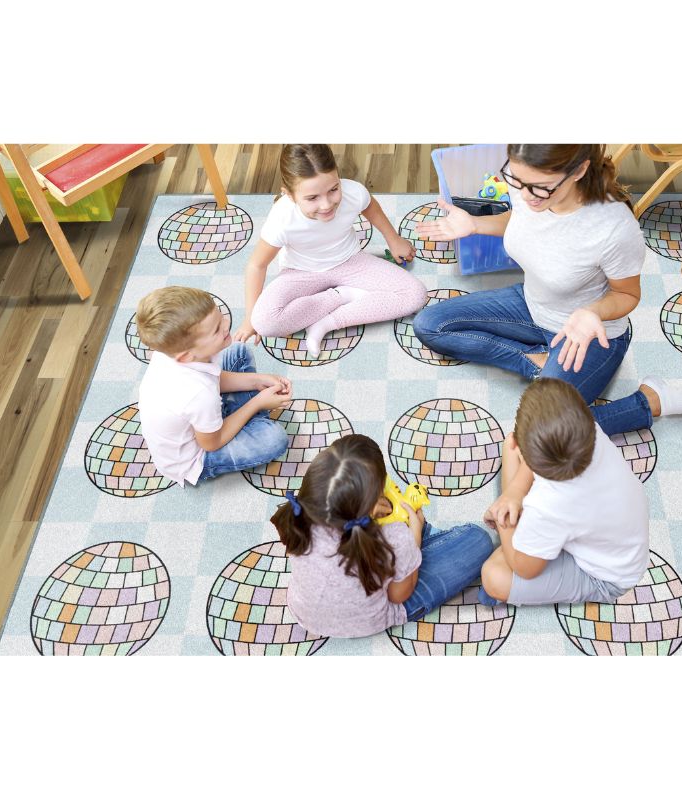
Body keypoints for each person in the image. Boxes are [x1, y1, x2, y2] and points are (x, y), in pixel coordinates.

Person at [412, 144, 682, 436]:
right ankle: (536, 361)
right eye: (518, 181)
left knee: (541, 429)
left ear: (579, 170)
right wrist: (476, 225)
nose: (526, 195)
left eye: (541, 187)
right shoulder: (527, 186)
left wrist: (592, 312)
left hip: (589, 335)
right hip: (531, 304)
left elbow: (628, 295)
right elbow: (521, 218)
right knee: (430, 325)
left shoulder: (613, 228)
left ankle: (649, 401)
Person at [271, 434, 494, 638]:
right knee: (478, 539)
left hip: (306, 613)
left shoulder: (300, 518)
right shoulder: (395, 536)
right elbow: (399, 596)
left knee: (408, 550)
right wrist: (413, 536)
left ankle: (421, 544)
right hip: (375, 616)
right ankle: (423, 538)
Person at [233, 144, 428, 358]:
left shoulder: (353, 192)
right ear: (289, 195)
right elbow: (256, 265)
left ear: (338, 179)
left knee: (415, 294)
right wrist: (249, 317)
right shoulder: (282, 219)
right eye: (312, 198)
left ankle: (326, 322)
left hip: (351, 261)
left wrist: (394, 239)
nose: (326, 205)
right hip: (300, 272)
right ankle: (340, 295)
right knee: (265, 323)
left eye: (333, 190)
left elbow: (370, 207)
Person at [479, 378, 649, 607]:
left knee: (494, 576)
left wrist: (503, 520)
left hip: (606, 576)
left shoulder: (549, 506)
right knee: (512, 443)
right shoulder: (589, 431)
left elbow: (525, 569)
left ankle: (511, 519)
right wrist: (515, 492)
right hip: (612, 541)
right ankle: (520, 521)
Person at [136, 285, 290, 486]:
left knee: (238, 352)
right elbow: (211, 443)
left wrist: (256, 380)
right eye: (217, 329)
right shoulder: (198, 393)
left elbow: (212, 377)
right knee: (274, 439)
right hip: (198, 456)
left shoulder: (172, 355)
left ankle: (241, 418)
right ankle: (250, 417)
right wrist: (258, 403)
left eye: (220, 316)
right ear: (186, 356)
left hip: (201, 412)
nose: (226, 325)